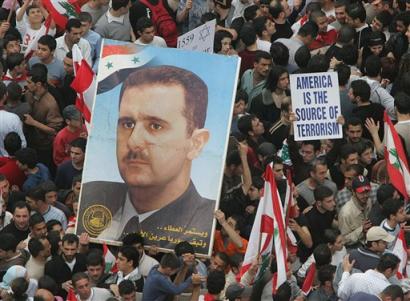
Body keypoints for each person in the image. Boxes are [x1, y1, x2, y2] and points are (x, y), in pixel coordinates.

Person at [78, 66, 216, 254]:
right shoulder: (90, 195)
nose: (134, 141)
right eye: (128, 124)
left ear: (196, 143)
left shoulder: (205, 226)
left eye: (155, 126)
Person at [44, 234, 87, 298]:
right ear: (61, 247)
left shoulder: (84, 260)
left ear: (78, 248)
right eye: (66, 249)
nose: (69, 253)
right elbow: (47, 287)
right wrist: (62, 286)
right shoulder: (51, 265)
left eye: (72, 249)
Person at [339, 176, 373, 248]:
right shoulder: (345, 213)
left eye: (367, 192)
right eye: (361, 193)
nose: (365, 195)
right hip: (354, 248)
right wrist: (361, 230)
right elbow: (344, 240)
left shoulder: (369, 201)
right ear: (353, 192)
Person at [0, 82, 27, 157]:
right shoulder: (13, 119)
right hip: (9, 160)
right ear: (5, 96)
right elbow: (23, 145)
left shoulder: (13, 118)